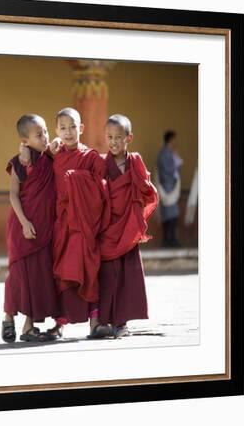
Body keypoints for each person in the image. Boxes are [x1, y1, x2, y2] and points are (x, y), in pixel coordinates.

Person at [37, 108, 111, 340]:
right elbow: (38, 176)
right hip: (62, 225)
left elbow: (102, 189)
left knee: (88, 271)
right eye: (63, 127)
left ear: (81, 129)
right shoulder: (54, 156)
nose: (68, 132)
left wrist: (76, 178)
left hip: (84, 227)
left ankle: (95, 323)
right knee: (62, 273)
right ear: (56, 130)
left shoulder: (91, 157)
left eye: (72, 127)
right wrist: (45, 152)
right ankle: (59, 324)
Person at [98, 114, 158, 337]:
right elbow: (96, 193)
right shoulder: (102, 163)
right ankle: (104, 320)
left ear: (129, 138)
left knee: (128, 274)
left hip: (129, 227)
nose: (113, 142)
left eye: (118, 137)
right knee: (107, 275)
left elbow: (147, 189)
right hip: (109, 226)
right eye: (109, 137)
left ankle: (122, 322)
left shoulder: (135, 161)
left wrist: (140, 190)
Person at [2, 114, 60, 342]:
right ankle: (8, 317)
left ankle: (28, 327)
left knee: (38, 276)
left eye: (45, 131)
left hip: (44, 229)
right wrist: (25, 223)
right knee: (18, 275)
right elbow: (13, 196)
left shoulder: (49, 158)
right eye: (39, 135)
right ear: (24, 140)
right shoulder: (20, 162)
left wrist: (49, 148)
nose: (45, 137)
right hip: (22, 226)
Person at [157, 130, 183, 247]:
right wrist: (176, 165)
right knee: (170, 215)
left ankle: (170, 239)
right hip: (167, 187)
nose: (175, 142)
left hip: (170, 186)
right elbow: (168, 170)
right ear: (170, 140)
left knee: (171, 214)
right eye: (174, 139)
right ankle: (168, 240)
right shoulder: (164, 153)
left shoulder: (168, 152)